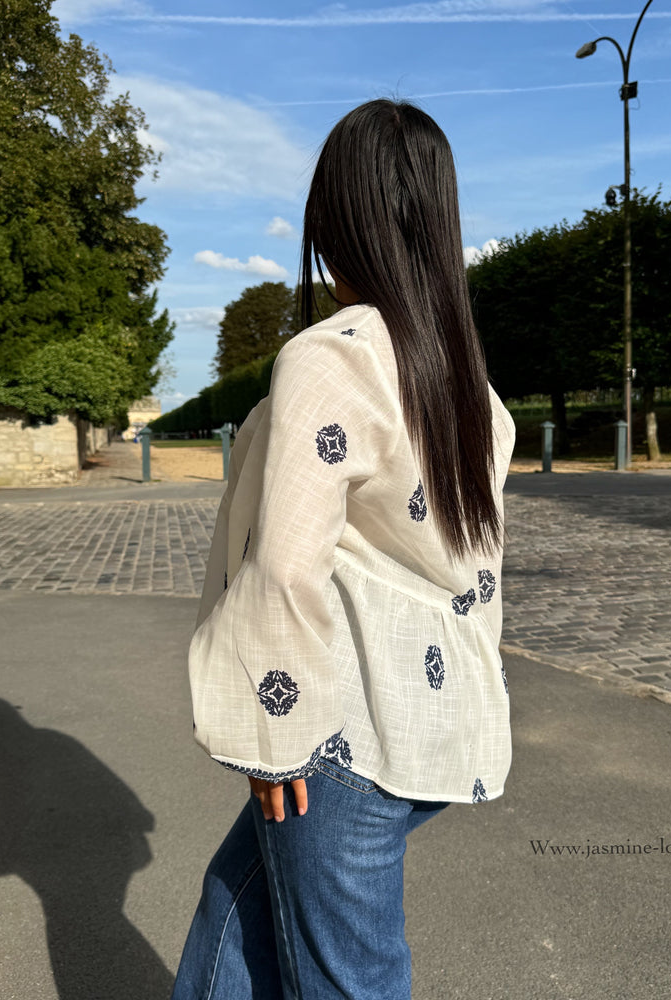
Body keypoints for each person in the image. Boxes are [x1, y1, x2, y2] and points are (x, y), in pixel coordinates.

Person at [172, 99, 516, 1000]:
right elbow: (470, 573)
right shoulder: (467, 384)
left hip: (338, 732)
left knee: (348, 980)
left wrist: (272, 734)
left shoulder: (332, 358)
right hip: (432, 716)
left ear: (333, 218)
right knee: (234, 907)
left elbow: (286, 564)